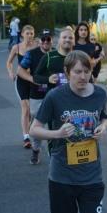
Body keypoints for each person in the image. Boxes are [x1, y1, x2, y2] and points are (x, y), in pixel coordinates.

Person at [29, 51, 107, 213]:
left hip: (92, 175)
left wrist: (103, 127)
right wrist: (57, 134)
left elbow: (104, 117)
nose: (83, 76)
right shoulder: (55, 97)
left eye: (86, 71)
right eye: (77, 72)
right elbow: (34, 129)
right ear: (67, 73)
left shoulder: (99, 94)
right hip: (62, 176)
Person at [18, 28, 69, 165]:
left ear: (52, 41)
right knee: (37, 124)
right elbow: (20, 70)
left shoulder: (57, 54)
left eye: (48, 39)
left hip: (53, 95)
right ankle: (36, 149)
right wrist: (35, 80)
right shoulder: (31, 54)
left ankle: (54, 155)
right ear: (39, 41)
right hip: (37, 94)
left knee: (54, 125)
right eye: (43, 39)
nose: (46, 42)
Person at [7, 24, 37, 149]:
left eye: (31, 33)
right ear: (22, 34)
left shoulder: (37, 47)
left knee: (33, 110)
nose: (29, 36)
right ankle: (26, 136)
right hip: (21, 80)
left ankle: (29, 129)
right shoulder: (17, 47)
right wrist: (11, 72)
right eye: (27, 33)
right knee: (25, 107)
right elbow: (9, 62)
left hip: (34, 81)